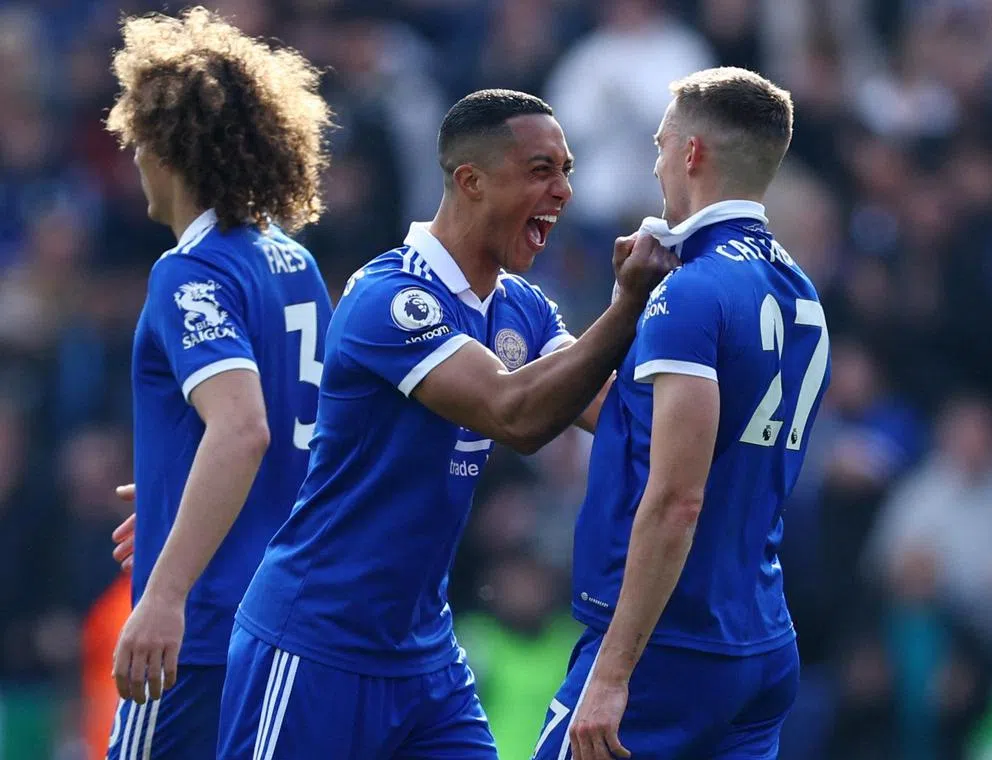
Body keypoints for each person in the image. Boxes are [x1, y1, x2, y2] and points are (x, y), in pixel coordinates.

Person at [215, 89, 676, 759]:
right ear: (471, 181)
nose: (564, 191)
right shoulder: (389, 299)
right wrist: (629, 305)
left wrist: (697, 343)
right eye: (541, 170)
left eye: (568, 170)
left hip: (424, 657)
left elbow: (613, 411)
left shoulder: (522, 308)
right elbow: (513, 412)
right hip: (315, 642)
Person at [532, 66, 830, 760]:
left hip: (671, 647)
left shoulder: (690, 293)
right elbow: (658, 426)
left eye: (662, 144)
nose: (657, 162)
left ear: (693, 153)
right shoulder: (803, 293)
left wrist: (611, 674)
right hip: (760, 635)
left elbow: (676, 500)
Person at [102, 7, 334, 758]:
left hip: (202, 629)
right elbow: (305, 436)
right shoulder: (296, 265)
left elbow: (242, 429)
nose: (131, 151)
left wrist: (165, 593)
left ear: (166, 144)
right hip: (289, 620)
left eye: (136, 132)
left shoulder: (188, 272)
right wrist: (176, 492)